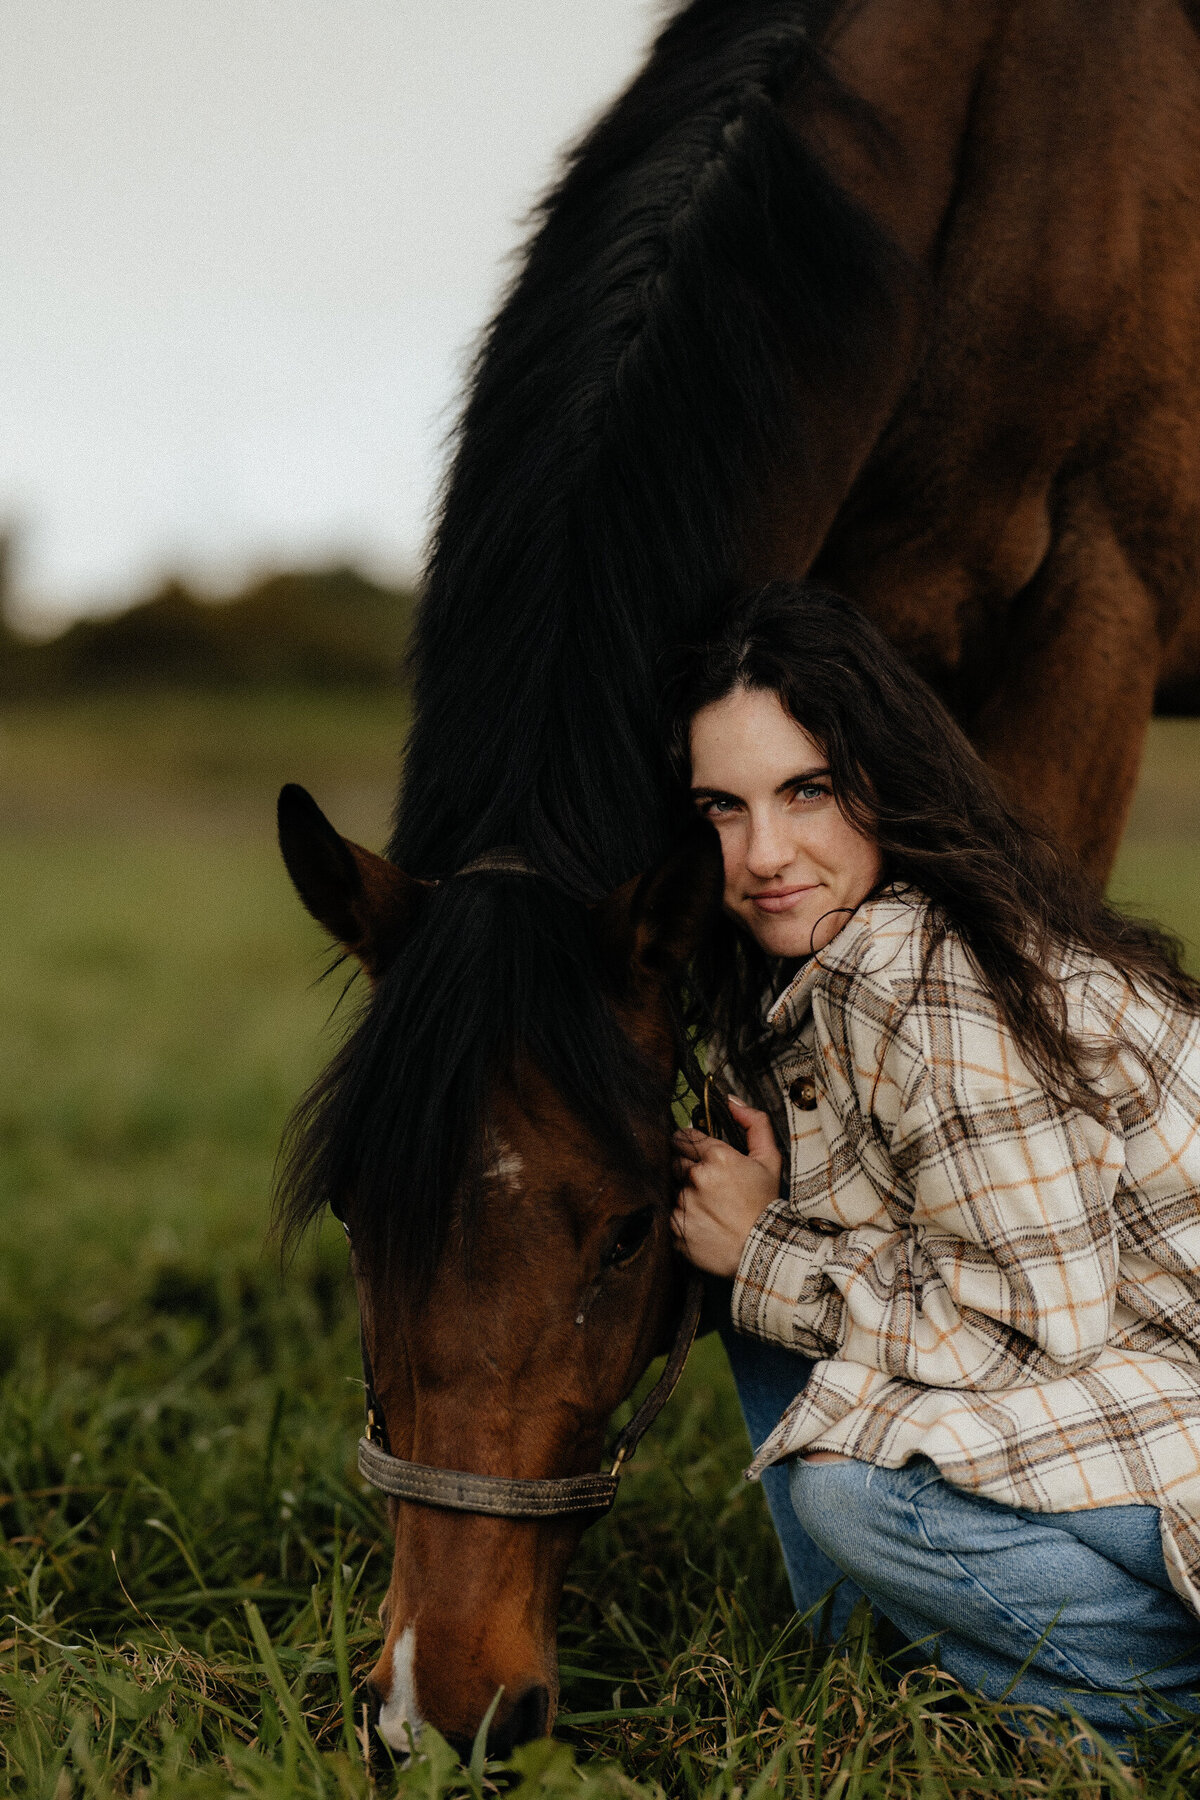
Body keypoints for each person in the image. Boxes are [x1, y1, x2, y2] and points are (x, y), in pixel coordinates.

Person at [667, 582, 1200, 1741]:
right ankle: (870, 1666)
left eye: (806, 790)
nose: (763, 853)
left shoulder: (929, 978)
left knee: (859, 1492)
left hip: (1170, 1378)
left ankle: (1156, 1705)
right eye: (722, 807)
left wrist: (763, 1252)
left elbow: (1025, 1320)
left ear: (880, 781)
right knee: (765, 1280)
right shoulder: (813, 970)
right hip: (1116, 1367)